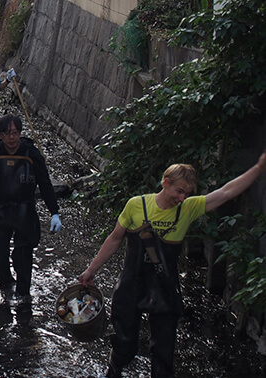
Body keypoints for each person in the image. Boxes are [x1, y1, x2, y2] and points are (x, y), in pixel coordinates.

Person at [78, 151, 266, 378]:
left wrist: (258, 168)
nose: (182, 198)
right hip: (131, 285)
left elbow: (225, 192)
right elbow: (115, 239)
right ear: (165, 183)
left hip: (164, 288)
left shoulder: (188, 209)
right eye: (179, 191)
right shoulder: (136, 205)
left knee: (163, 356)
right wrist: (91, 270)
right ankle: (114, 370)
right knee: (124, 347)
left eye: (187, 194)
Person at [0, 115, 62, 300]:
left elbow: (45, 184)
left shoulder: (31, 154)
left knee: (23, 255)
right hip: (0, 210)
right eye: (7, 134)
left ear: (20, 133)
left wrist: (54, 212)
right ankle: (6, 287)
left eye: (15, 133)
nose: (12, 138)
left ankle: (23, 295)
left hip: (25, 211)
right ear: (0, 135)